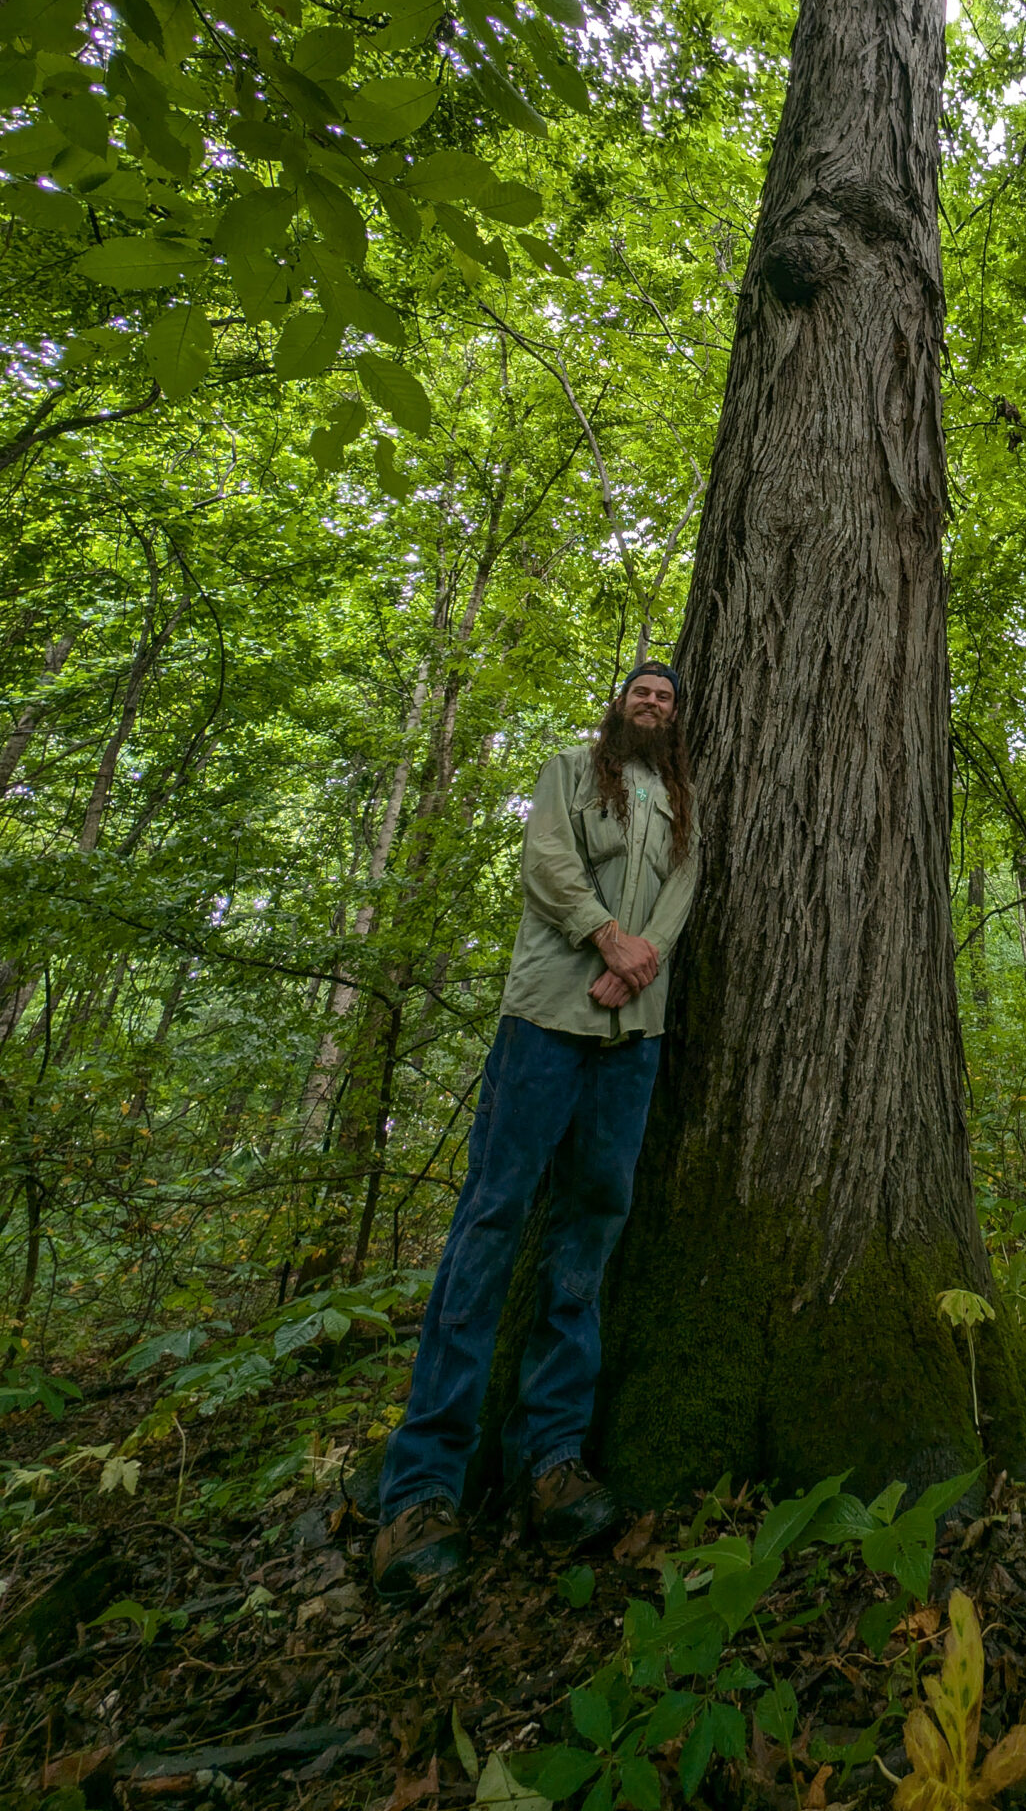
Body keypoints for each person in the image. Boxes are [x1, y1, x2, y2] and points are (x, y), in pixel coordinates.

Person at [369, 656, 699, 1601]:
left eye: (666, 699)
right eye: (642, 692)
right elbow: (546, 862)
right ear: (619, 705)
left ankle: (552, 1460)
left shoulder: (684, 801)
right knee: (491, 1222)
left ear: (676, 721)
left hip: (633, 1035)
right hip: (546, 1020)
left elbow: (680, 894)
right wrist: (606, 939)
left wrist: (639, 966)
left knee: (589, 1234)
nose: (652, 704)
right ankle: (421, 1489)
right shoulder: (567, 771)